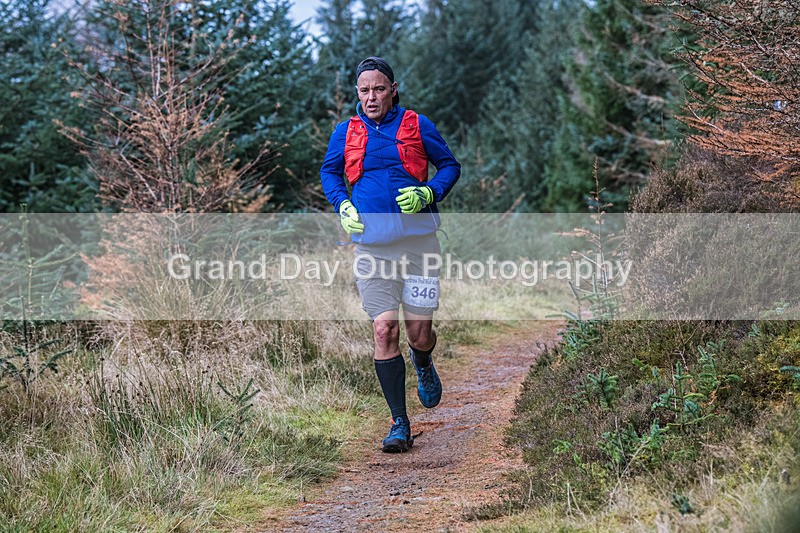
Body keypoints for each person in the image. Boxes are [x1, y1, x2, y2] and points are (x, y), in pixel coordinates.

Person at [320, 57, 461, 453]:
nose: (371, 97)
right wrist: (342, 206)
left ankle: (423, 361)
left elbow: (450, 166)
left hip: (419, 246)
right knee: (384, 329)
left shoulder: (417, 124)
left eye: (378, 89)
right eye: (364, 90)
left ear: (393, 89)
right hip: (372, 248)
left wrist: (429, 192)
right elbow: (330, 173)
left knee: (418, 333)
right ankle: (399, 422)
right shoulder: (346, 131)